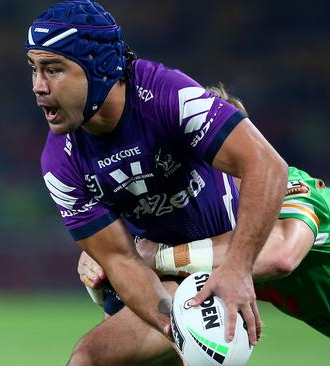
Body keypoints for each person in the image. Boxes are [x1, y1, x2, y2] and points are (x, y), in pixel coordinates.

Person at [79, 85, 330, 365]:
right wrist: (112, 267)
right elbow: (163, 305)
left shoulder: (296, 189)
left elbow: (280, 255)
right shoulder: (226, 227)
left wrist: (156, 257)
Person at [24, 1, 288, 364]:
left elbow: (268, 166)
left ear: (100, 68)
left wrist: (239, 269)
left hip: (216, 268)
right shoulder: (59, 163)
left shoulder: (168, 97)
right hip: (152, 280)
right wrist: (176, 329)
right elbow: (120, 262)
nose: (38, 86)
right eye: (34, 69)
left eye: (53, 69)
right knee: (88, 358)